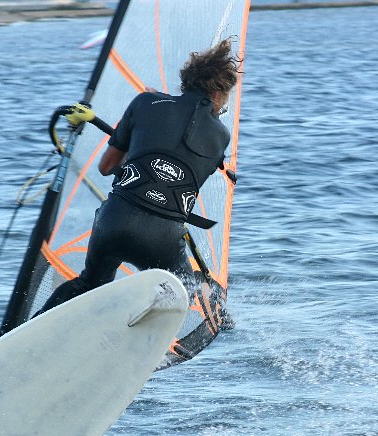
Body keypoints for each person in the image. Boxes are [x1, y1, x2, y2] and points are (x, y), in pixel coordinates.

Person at [36, 39, 240, 316]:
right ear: (218, 92)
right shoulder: (221, 135)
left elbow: (106, 167)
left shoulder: (145, 102)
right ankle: (135, 331)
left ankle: (19, 336)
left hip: (114, 222)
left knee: (88, 284)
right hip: (162, 238)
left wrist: (140, 117)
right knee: (182, 291)